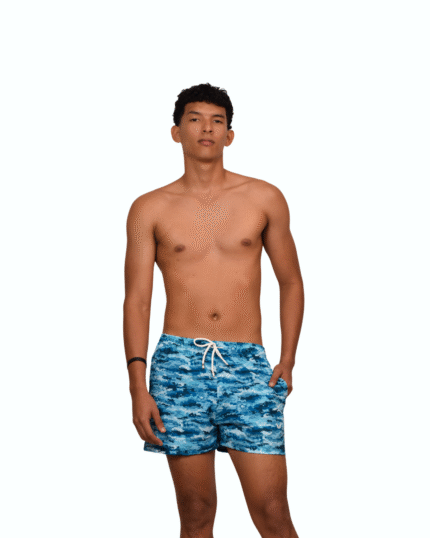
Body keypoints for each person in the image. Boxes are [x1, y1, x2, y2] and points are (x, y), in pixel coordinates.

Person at [123, 82, 304, 538]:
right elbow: (137, 300)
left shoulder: (264, 197)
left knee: (273, 512)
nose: (206, 128)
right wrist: (137, 385)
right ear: (176, 132)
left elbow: (291, 281)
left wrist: (287, 357)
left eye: (217, 121)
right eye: (195, 119)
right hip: (178, 366)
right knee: (197, 513)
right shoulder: (149, 208)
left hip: (248, 364)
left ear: (229, 135)